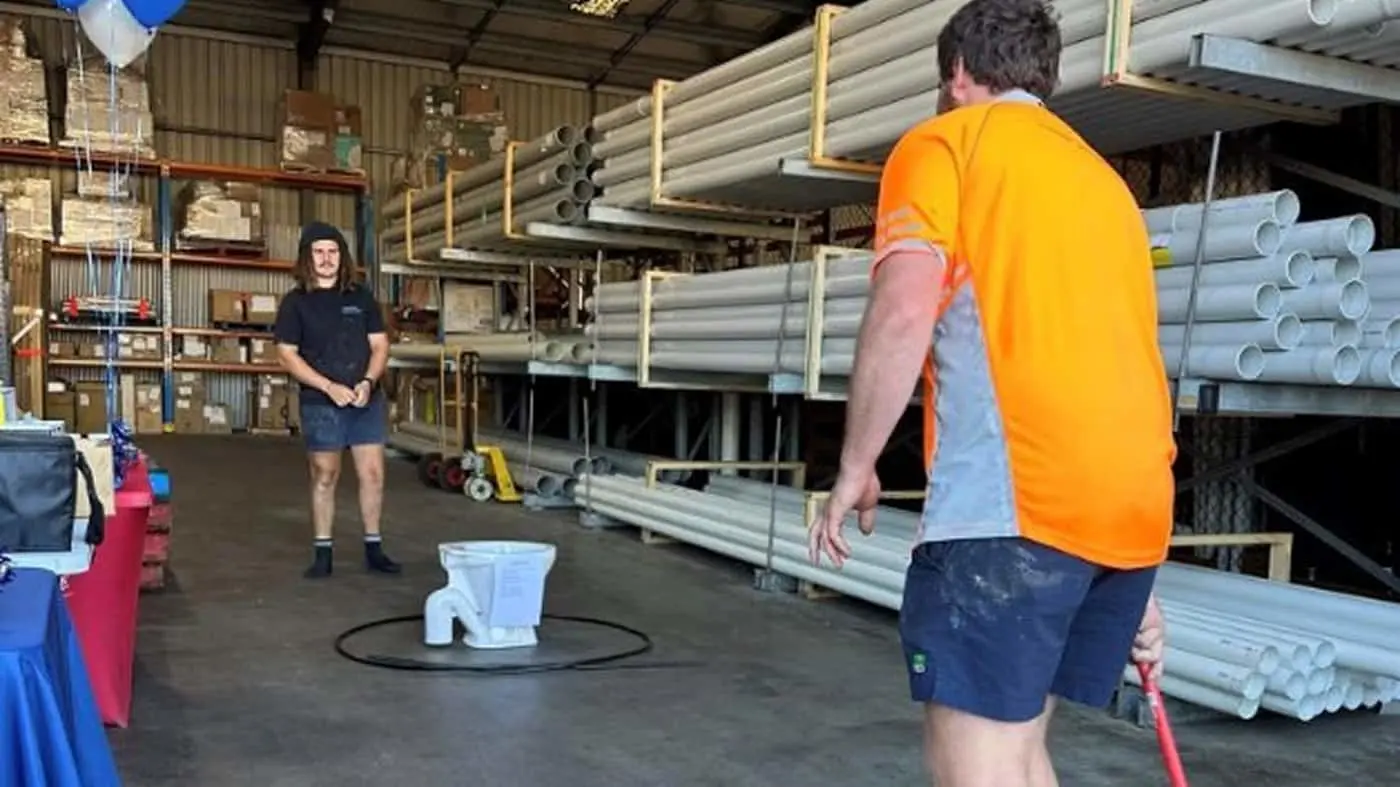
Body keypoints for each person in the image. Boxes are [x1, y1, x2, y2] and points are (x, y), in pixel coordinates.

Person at [807, 1, 1172, 784]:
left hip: (1013, 511)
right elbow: (1125, 355)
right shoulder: (1104, 184)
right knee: (1021, 750)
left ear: (960, 73)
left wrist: (856, 466)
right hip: (1126, 511)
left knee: (981, 765)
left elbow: (905, 306)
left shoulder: (946, 143)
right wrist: (1132, 560)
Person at [274, 221, 401, 579]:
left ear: (341, 256)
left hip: (365, 401)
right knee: (325, 475)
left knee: (373, 474)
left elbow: (380, 346)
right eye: (318, 252)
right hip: (321, 403)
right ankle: (323, 552)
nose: (326, 259)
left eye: (332, 251)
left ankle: (374, 548)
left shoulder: (361, 298)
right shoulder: (295, 303)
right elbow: (287, 355)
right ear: (307, 258)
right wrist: (328, 387)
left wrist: (366, 381)